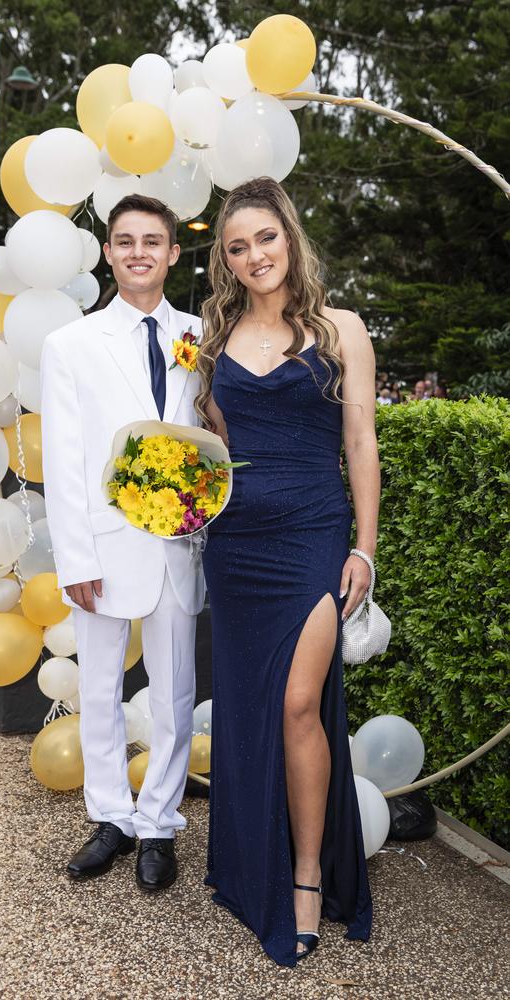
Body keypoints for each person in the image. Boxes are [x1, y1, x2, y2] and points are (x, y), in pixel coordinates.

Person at [197, 178, 377, 967]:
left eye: (264, 239)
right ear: (226, 260)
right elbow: (216, 447)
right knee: (246, 707)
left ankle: (306, 874)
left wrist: (363, 547)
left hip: (311, 533)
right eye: (237, 248)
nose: (253, 257)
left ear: (289, 238)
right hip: (236, 544)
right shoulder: (216, 338)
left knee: (301, 704)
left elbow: (361, 445)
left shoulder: (342, 329)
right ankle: (249, 865)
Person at [40, 194, 204, 892]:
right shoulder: (69, 344)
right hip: (104, 547)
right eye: (125, 240)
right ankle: (110, 816)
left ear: (172, 252)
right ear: (108, 252)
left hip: (179, 544)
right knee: (101, 687)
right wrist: (75, 556)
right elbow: (65, 458)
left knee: (173, 692)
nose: (139, 251)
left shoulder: (204, 334)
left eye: (153, 241)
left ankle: (159, 821)